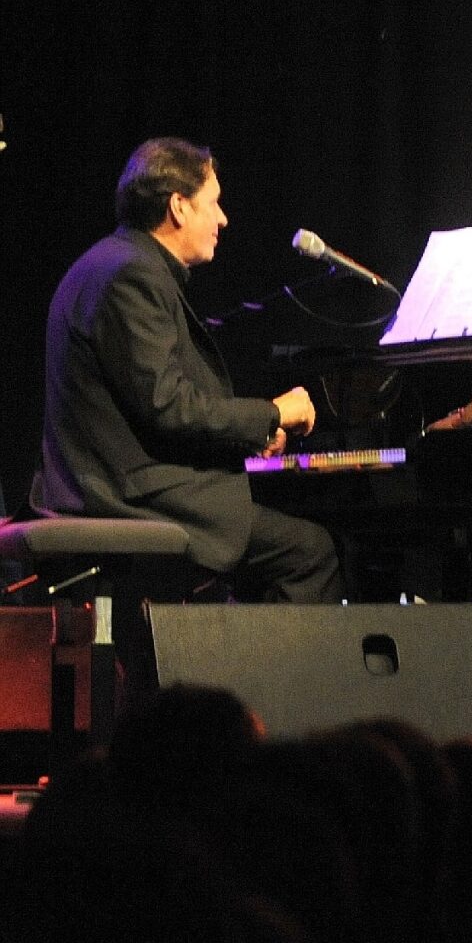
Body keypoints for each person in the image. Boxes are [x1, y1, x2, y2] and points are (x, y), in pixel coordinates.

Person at [33, 137, 343, 601]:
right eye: (213, 204)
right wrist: (274, 412)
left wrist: (253, 436)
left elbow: (153, 404)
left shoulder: (121, 264)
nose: (223, 219)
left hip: (123, 483)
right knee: (309, 553)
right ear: (179, 207)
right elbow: (170, 406)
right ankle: (247, 675)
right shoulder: (129, 275)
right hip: (125, 499)